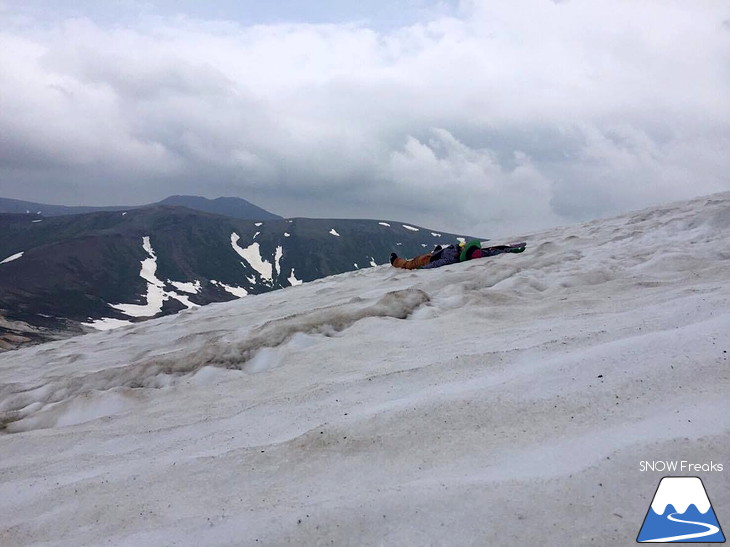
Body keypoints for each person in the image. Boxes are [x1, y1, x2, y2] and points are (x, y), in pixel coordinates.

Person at [390, 240, 525, 270]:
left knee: (409, 264)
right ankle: (436, 251)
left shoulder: (452, 258)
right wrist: (510, 249)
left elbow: (437, 264)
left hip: (427, 260)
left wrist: (422, 269)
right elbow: (492, 250)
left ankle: (396, 261)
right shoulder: (461, 252)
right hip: (438, 254)